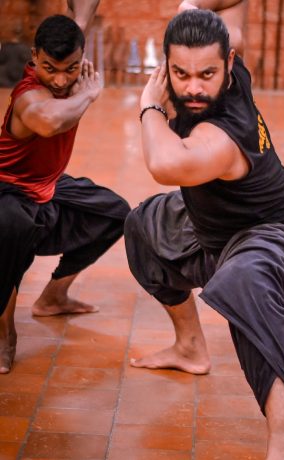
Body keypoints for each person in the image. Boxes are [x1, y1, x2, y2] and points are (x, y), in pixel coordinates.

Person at [124, 1, 284, 458]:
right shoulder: (220, 57)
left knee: (244, 283)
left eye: (207, 74)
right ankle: (190, 348)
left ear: (229, 63)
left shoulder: (222, 133)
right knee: (145, 224)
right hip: (216, 230)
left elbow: (164, 163)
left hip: (280, 230)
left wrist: (149, 105)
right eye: (181, 74)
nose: (194, 88)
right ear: (167, 63)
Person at [0, 11, 131, 374]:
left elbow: (82, 17)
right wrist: (87, 93)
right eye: (49, 68)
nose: (59, 80)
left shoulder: (71, 67)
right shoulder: (28, 96)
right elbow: (50, 121)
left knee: (115, 213)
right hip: (8, 190)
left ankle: (53, 297)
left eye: (70, 69)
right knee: (10, 231)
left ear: (81, 57)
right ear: (34, 56)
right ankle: (3, 333)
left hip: (49, 185)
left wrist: (78, 81)